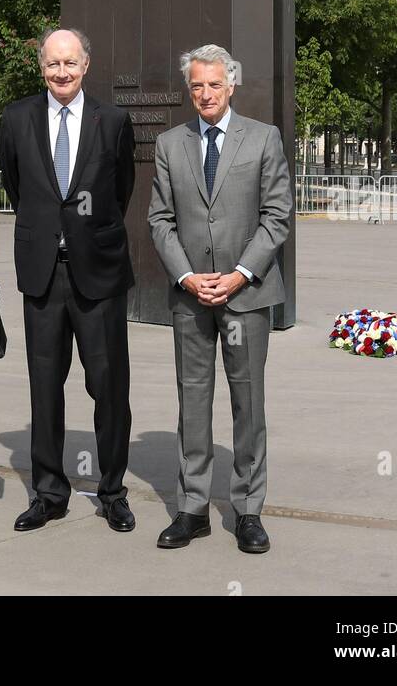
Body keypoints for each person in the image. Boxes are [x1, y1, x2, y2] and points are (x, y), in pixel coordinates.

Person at [147, 44, 292, 554]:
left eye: (213, 84)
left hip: (246, 295)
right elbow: (160, 220)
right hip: (190, 298)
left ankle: (248, 510)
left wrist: (237, 275)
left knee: (248, 403)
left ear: (231, 85)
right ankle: (192, 508)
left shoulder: (263, 138)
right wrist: (187, 276)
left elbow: (277, 217)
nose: (204, 94)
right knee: (193, 401)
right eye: (196, 86)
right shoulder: (170, 144)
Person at [0, 28, 137, 533]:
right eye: (53, 63)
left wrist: (83, 234)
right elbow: (18, 187)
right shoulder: (16, 119)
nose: (61, 72)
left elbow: (120, 189)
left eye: (70, 63)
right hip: (42, 276)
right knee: (44, 386)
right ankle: (49, 493)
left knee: (109, 386)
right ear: (41, 65)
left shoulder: (114, 121)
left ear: (86, 65)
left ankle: (113, 491)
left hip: (98, 274)